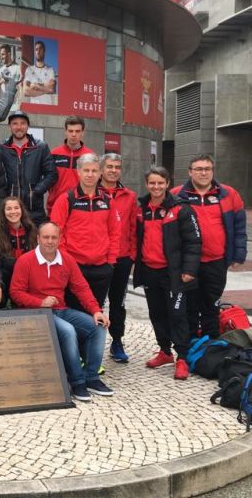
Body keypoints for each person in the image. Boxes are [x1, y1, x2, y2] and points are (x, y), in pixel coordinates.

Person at [10, 221, 113, 402]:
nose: (50, 241)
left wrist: (96, 311)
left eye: (54, 237)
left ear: (60, 239)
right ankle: (77, 381)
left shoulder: (66, 259)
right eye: (46, 237)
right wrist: (40, 302)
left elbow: (81, 288)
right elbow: (16, 293)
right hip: (36, 313)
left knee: (98, 326)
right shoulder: (25, 260)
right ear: (38, 239)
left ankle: (91, 377)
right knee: (68, 330)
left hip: (61, 309)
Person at [134, 166, 201, 380]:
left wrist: (189, 270)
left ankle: (182, 357)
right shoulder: (141, 208)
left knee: (178, 315)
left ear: (168, 184)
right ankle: (164, 352)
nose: (156, 187)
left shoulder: (181, 208)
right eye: (152, 183)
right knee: (157, 314)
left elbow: (194, 241)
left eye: (160, 183)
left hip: (173, 274)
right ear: (147, 184)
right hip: (149, 271)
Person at [173, 154, 247, 340]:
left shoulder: (229, 194)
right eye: (198, 169)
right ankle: (190, 345)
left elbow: (239, 226)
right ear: (190, 172)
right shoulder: (176, 195)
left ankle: (211, 345)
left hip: (216, 261)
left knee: (211, 306)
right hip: (188, 263)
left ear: (212, 171)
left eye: (207, 169)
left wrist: (239, 254)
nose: (203, 173)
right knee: (189, 306)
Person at [50, 153, 120, 311]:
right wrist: (67, 262)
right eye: (86, 170)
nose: (90, 174)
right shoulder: (66, 199)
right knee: (73, 313)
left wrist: (110, 261)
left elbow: (115, 233)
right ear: (78, 172)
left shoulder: (108, 201)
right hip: (74, 266)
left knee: (96, 312)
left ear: (100, 173)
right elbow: (56, 234)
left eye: (94, 171)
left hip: (102, 268)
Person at [98, 153, 138, 364]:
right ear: (102, 169)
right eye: (109, 166)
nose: (113, 170)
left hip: (122, 258)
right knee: (95, 302)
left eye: (117, 167)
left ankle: (117, 341)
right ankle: (91, 343)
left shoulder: (129, 196)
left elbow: (133, 227)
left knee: (118, 302)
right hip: (98, 258)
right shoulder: (93, 192)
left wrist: (131, 254)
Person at [0, 110, 57, 226]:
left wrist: (37, 190)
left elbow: (52, 174)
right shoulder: (0, 148)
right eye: (15, 123)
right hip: (10, 210)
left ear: (28, 126)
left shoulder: (40, 147)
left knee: (35, 243)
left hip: (34, 210)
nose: (19, 127)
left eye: (22, 123)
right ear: (9, 126)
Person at [46, 116, 94, 214]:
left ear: (83, 132)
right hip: (56, 206)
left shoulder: (90, 155)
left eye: (77, 131)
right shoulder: (54, 153)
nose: (73, 134)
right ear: (65, 131)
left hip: (81, 207)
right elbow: (47, 179)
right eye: (70, 131)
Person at [0, 196, 38, 291]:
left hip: (28, 274)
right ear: (3, 212)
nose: (13, 212)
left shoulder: (32, 229)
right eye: (8, 209)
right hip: (7, 275)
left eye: (16, 208)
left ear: (22, 210)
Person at [22, 40, 56, 105]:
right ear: (34, 52)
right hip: (33, 107)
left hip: (47, 106)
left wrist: (35, 86)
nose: (38, 51)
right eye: (36, 49)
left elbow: (51, 89)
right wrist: (46, 88)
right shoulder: (29, 69)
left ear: (44, 52)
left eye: (40, 49)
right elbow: (26, 91)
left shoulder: (50, 70)